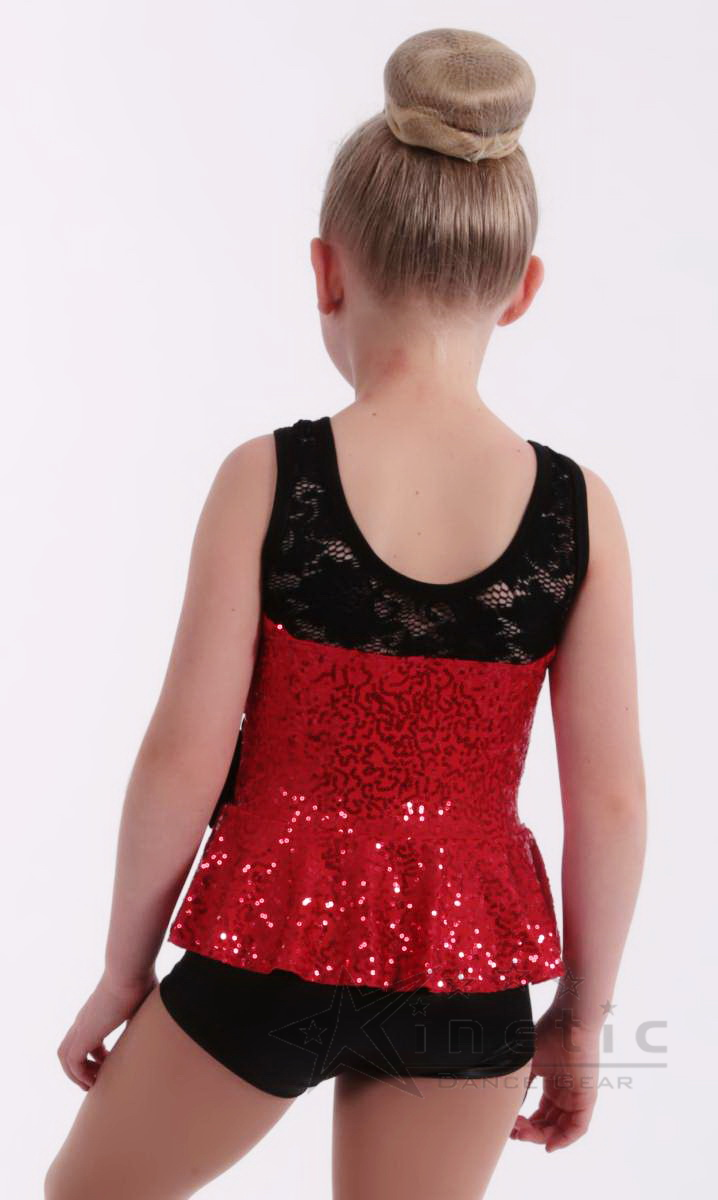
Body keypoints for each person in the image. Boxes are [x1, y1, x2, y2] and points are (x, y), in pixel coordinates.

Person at [45, 26, 646, 1200]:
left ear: (326, 272)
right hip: (468, 979)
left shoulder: (269, 479)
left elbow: (181, 755)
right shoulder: (581, 513)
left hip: (269, 952)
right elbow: (611, 800)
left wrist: (126, 971)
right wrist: (580, 1020)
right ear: (521, 291)